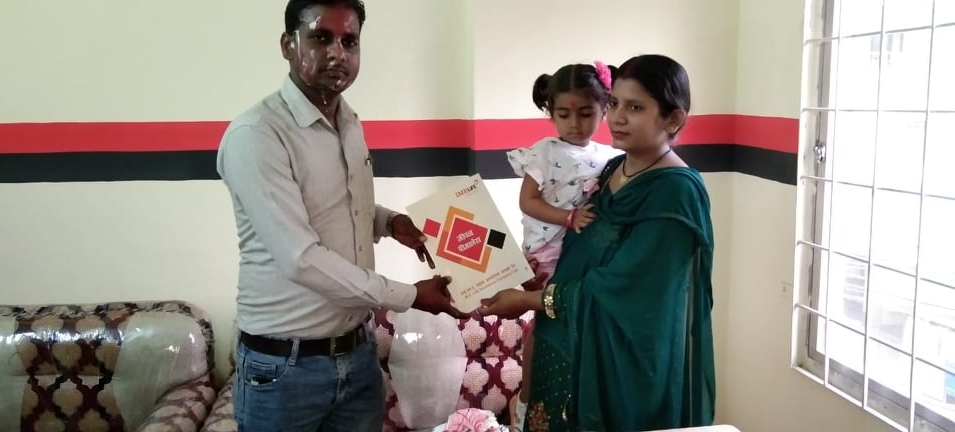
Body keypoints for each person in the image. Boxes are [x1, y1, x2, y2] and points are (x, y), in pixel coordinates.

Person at [215, 1, 465, 431]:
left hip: (358, 355)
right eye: (320, 37)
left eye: (350, 41)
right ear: (287, 45)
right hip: (284, 369)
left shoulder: (348, 121)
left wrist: (389, 222)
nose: (337, 53)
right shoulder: (256, 136)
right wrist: (410, 295)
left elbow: (339, 208)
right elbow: (301, 257)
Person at [480, 54, 716, 431]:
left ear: (673, 119)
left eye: (635, 107)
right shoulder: (611, 170)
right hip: (564, 344)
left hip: (620, 365)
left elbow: (625, 288)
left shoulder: (676, 193)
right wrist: (535, 272)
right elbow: (578, 243)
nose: (617, 117)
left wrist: (529, 300)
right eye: (616, 103)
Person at [504, 61, 622, 431]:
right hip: (547, 250)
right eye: (563, 114)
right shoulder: (543, 152)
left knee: (577, 322)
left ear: (604, 109)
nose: (574, 124)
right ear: (550, 112)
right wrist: (567, 218)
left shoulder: (609, 158)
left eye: (586, 113)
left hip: (583, 251)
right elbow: (528, 202)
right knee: (545, 322)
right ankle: (525, 400)